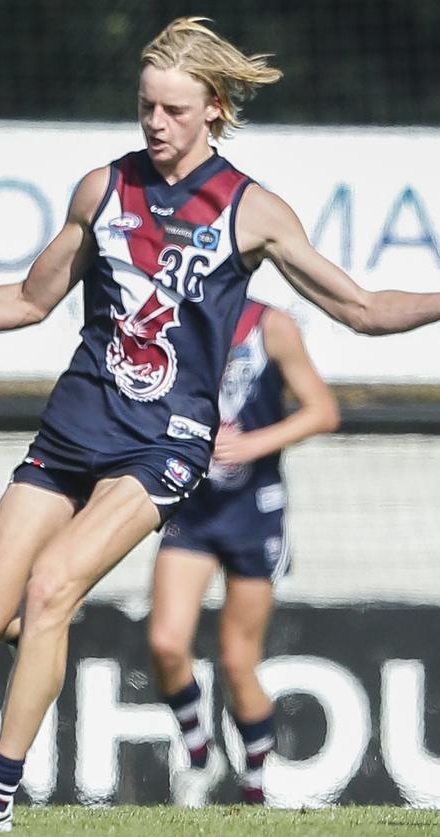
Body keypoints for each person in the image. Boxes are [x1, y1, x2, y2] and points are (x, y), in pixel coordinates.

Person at [0, 16, 440, 832]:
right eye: (145, 105)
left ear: (214, 107)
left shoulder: (251, 210)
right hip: (73, 428)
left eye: (173, 110)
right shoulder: (102, 188)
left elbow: (362, 308)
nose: (154, 123)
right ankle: (47, 638)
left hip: (163, 443)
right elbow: (26, 300)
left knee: (50, 588)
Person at [148, 298, 339, 808]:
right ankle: (197, 755)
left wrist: (253, 444)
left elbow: (323, 410)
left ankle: (255, 782)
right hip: (193, 503)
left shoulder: (270, 327)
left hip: (253, 509)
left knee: (237, 660)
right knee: (167, 642)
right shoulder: (171, 322)